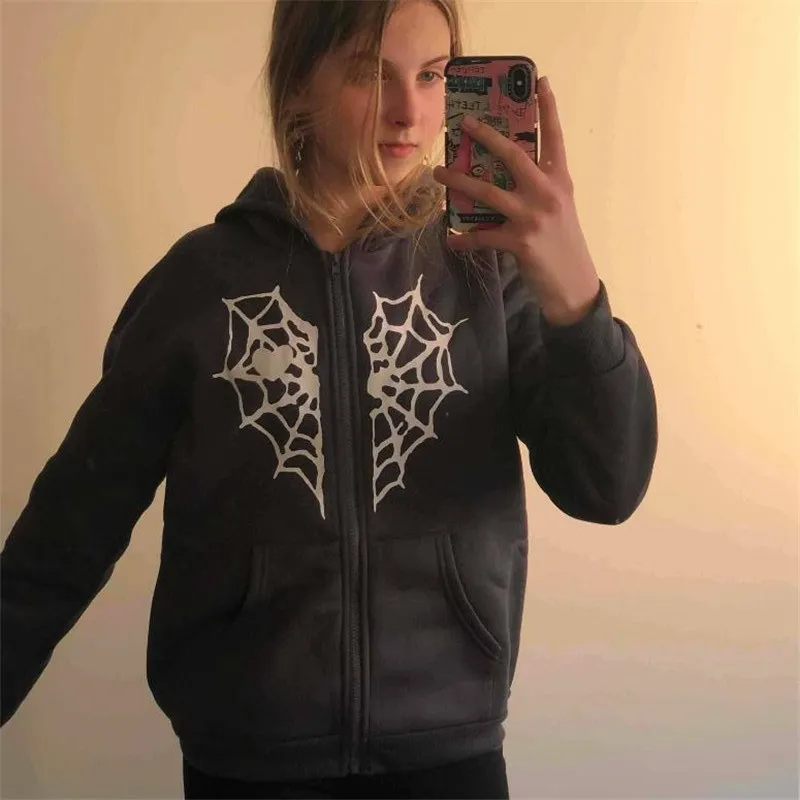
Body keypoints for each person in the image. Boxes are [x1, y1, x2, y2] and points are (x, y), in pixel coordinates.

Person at [0, 0, 658, 797]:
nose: (410, 112)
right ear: (296, 86)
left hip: (450, 757)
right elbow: (69, 529)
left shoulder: (487, 271)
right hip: (248, 764)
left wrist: (575, 290)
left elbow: (606, 488)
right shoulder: (200, 284)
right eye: (369, 74)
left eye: (432, 75)